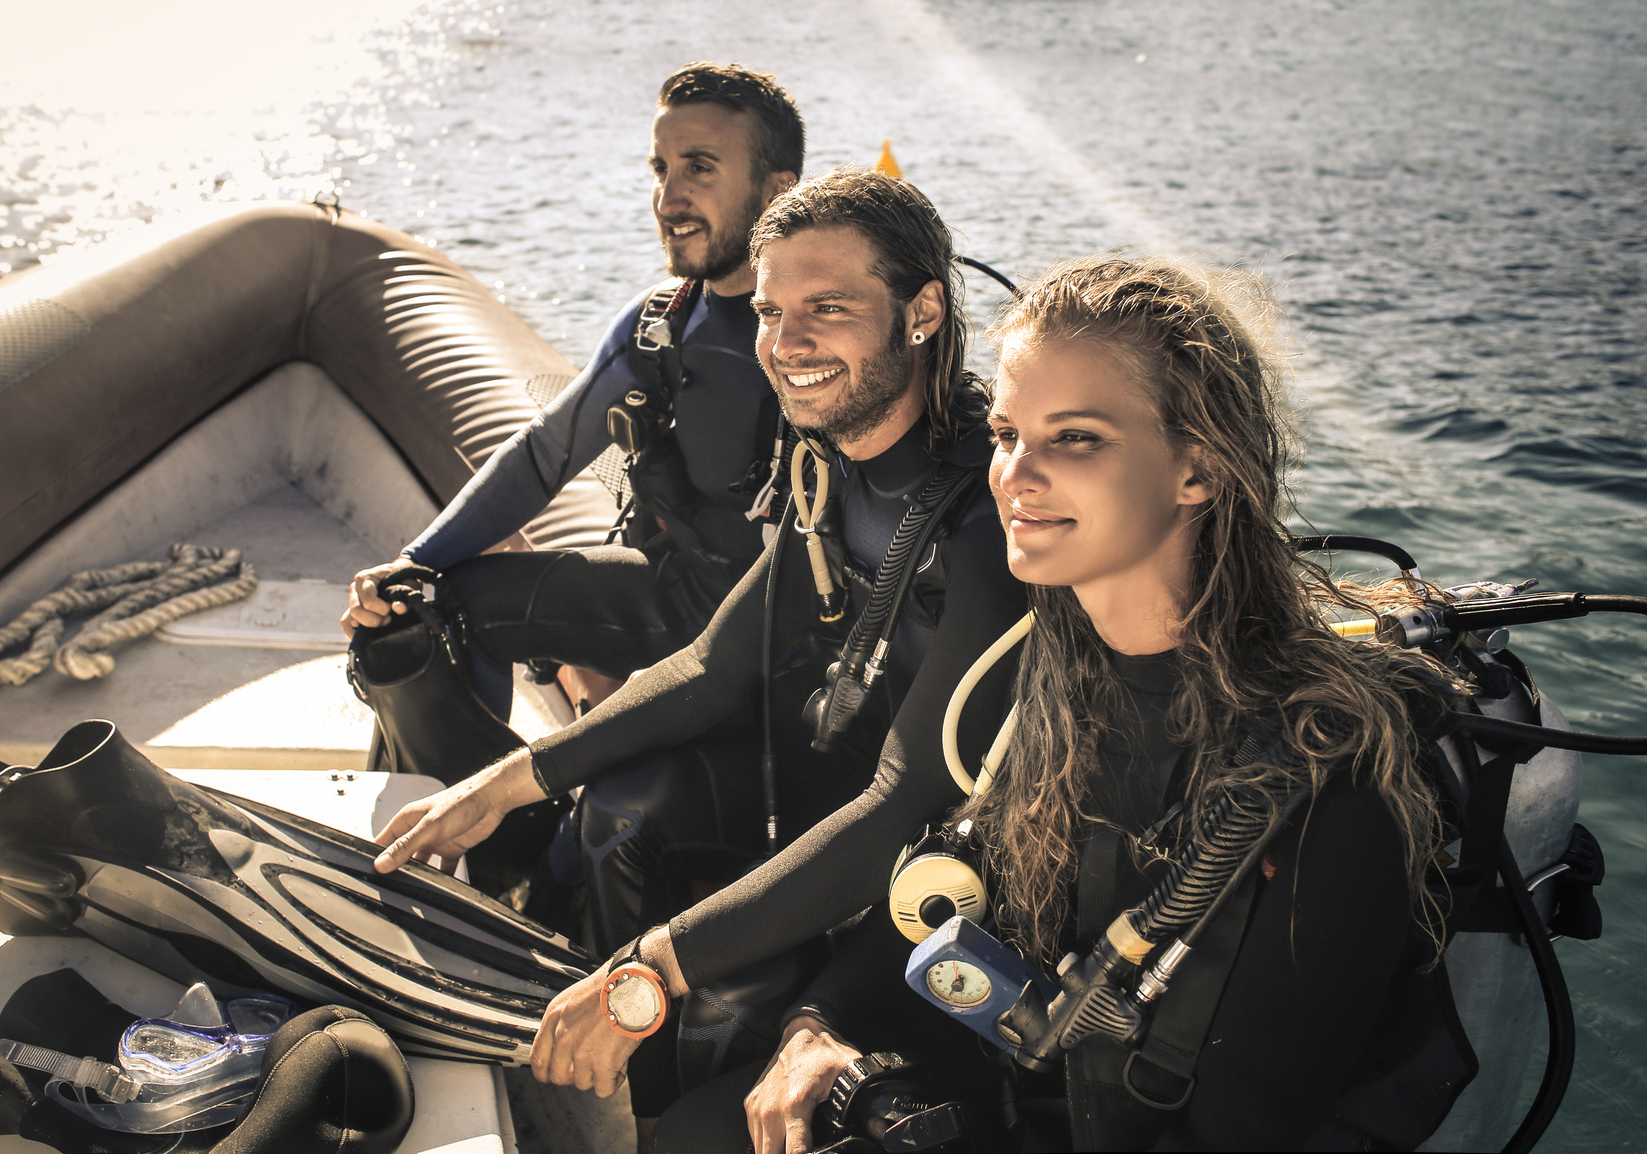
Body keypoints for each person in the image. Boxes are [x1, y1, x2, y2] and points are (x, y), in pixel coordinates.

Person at [657, 256, 1471, 1153]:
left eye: (1075, 438)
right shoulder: (1055, 674)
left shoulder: (1324, 791)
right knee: (695, 1132)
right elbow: (954, 900)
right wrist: (817, 1028)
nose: (1016, 474)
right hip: (1032, 1093)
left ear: (1195, 469)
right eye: (1006, 433)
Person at [371, 167, 1028, 1139]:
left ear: (922, 311)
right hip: (814, 784)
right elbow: (715, 666)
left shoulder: (983, 527)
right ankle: (631, 1081)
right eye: (770, 311)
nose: (785, 343)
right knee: (621, 810)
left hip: (929, 874)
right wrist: (504, 784)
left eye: (828, 308)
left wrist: (654, 965)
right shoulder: (826, 462)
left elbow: (901, 805)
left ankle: (687, 1068)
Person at [339, 62, 802, 765]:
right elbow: (542, 455)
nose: (669, 197)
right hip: (672, 593)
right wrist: (410, 566)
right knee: (428, 604)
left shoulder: (814, 340)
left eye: (700, 168)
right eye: (660, 168)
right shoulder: (662, 321)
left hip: (770, 639)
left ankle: (511, 816)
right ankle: (460, 825)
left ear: (778, 193)